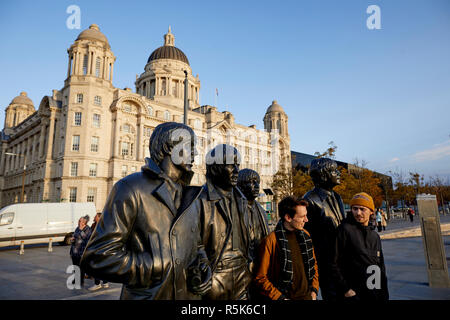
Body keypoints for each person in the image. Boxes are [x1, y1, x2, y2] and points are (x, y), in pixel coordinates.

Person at [81, 122, 211, 300]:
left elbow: (197, 246)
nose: (196, 153)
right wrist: (155, 266)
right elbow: (97, 256)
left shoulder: (192, 196)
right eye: (190, 146)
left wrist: (203, 264)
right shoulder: (130, 188)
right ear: (168, 147)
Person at [199, 144, 252, 300]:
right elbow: (192, 243)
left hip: (242, 274)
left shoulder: (242, 200)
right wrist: (203, 266)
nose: (237, 170)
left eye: (238, 165)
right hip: (216, 277)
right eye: (231, 165)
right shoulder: (200, 200)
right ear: (215, 168)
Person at [253, 196, 319, 300]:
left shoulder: (306, 235)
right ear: (288, 217)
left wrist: (314, 291)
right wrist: (280, 298)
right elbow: (260, 277)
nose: (306, 220)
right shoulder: (271, 241)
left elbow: (313, 264)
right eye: (302, 216)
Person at [331, 192, 389, 301]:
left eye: (362, 209)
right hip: (354, 294)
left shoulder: (375, 236)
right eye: (355, 208)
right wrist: (346, 290)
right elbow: (333, 263)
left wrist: (383, 293)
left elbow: (379, 267)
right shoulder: (344, 230)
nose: (358, 213)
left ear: (371, 211)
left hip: (373, 293)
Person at [302, 158, 345, 301]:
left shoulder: (337, 196)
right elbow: (306, 237)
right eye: (334, 170)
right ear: (323, 175)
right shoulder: (310, 200)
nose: (338, 173)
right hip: (327, 264)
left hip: (343, 261)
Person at [237, 168, 270, 300]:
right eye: (251, 182)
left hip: (259, 268)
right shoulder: (233, 208)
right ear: (240, 185)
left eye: (258, 182)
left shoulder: (260, 210)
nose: (256, 186)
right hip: (240, 271)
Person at [87, 212, 109, 291]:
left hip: (100, 248)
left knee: (98, 267)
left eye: (95, 216)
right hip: (94, 248)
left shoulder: (104, 226)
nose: (94, 217)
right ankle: (102, 283)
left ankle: (100, 283)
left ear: (99, 218)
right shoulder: (93, 225)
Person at [69, 215, 91, 287]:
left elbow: (86, 238)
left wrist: (81, 230)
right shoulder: (77, 228)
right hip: (74, 251)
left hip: (81, 252)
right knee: (75, 267)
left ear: (84, 222)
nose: (78, 222)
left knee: (81, 267)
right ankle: (76, 279)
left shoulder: (87, 229)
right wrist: (72, 239)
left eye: (80, 221)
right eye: (79, 220)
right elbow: (75, 236)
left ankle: (81, 281)